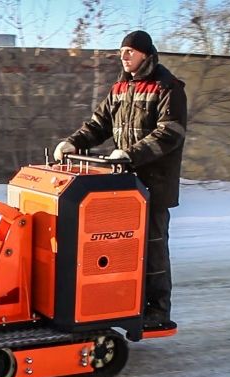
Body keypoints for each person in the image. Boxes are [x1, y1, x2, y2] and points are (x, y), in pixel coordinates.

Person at [53, 30, 187, 333]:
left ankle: (157, 310)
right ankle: (122, 303)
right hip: (123, 187)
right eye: (122, 51)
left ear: (145, 54)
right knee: (119, 251)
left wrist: (130, 154)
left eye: (130, 51)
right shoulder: (121, 88)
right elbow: (98, 123)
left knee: (152, 248)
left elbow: (170, 133)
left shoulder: (168, 87)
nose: (124, 56)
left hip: (153, 185)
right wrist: (73, 143)